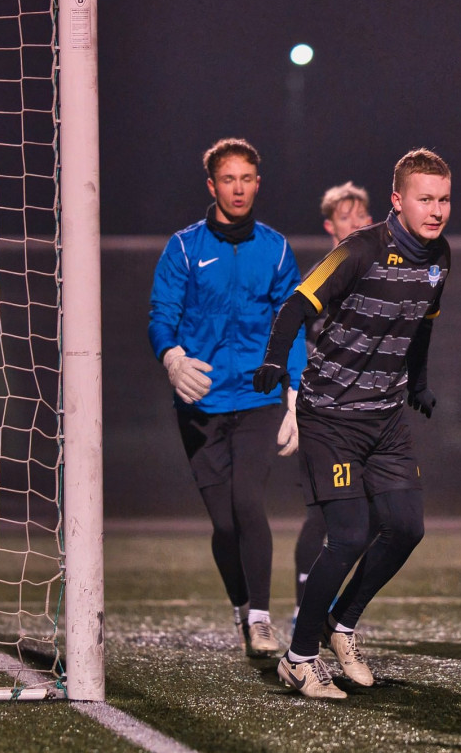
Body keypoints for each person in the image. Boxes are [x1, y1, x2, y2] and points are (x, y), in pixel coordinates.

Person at [254, 148, 452, 698]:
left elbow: (423, 326)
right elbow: (294, 304)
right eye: (425, 199)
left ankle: (340, 625)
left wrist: (418, 382)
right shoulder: (360, 250)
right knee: (348, 536)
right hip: (332, 417)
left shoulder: (441, 258)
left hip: (385, 420)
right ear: (397, 200)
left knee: (407, 528)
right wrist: (274, 358)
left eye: (443, 199)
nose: (436, 210)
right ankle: (298, 657)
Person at [149, 137, 307, 658]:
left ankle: (261, 617)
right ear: (212, 185)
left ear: (257, 184)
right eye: (227, 179)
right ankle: (242, 607)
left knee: (247, 502)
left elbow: (293, 323)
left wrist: (293, 393)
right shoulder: (184, 247)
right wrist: (171, 357)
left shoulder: (277, 248)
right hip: (201, 403)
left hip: (259, 396)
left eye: (246, 179)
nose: (237, 188)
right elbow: (161, 315)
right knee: (223, 523)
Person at [293, 182, 374, 625]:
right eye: (346, 217)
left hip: (369, 410)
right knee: (325, 512)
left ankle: (333, 607)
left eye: (362, 215)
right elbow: (294, 338)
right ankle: (305, 607)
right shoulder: (321, 275)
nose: (356, 223)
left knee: (375, 515)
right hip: (326, 411)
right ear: (329, 226)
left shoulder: (378, 271)